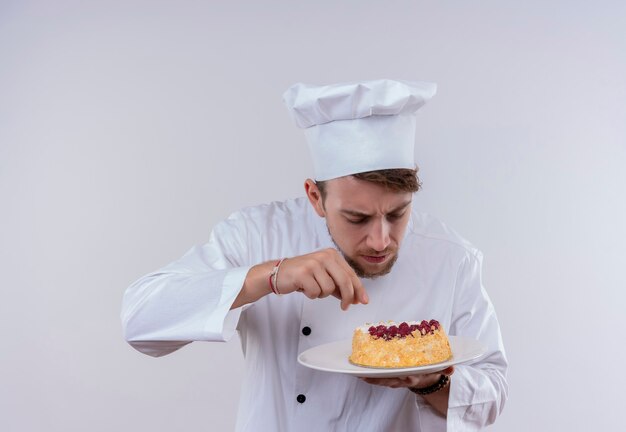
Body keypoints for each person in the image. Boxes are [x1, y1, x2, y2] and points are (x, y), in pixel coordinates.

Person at [121, 79, 508, 431]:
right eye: (356, 217)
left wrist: (430, 380)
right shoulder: (258, 234)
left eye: (397, 214)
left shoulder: (452, 258)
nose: (379, 239)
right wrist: (269, 276)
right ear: (315, 197)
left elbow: (492, 394)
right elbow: (139, 322)